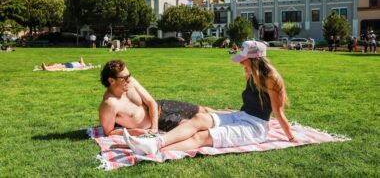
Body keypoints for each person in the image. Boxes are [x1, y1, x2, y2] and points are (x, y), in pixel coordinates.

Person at [123, 40, 296, 155]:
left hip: (255, 127)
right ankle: (156, 142)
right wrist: (230, 113)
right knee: (199, 118)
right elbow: (252, 105)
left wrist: (292, 138)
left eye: (244, 59)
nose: (241, 62)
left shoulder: (272, 79)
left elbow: (278, 113)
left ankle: (154, 150)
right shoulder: (252, 74)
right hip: (242, 116)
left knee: (202, 137)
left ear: (255, 59)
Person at [99, 60, 228, 137]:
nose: (129, 79)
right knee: (198, 124)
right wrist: (136, 132)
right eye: (124, 78)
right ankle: (231, 122)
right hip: (163, 121)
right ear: (111, 80)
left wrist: (154, 128)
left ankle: (236, 114)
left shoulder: (130, 82)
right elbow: (109, 132)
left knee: (203, 110)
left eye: (129, 75)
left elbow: (151, 102)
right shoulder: (110, 104)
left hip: (161, 106)